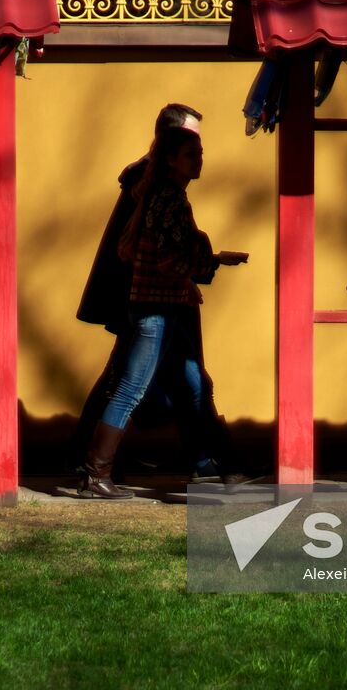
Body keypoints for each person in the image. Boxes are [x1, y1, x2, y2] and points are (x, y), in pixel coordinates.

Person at [72, 104, 240, 481]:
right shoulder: (157, 190)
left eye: (200, 149)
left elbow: (151, 248)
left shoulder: (158, 187)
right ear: (168, 149)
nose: (200, 155)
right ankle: (94, 472)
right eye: (191, 146)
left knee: (191, 382)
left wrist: (199, 264)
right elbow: (164, 255)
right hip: (153, 304)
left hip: (163, 301)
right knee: (129, 386)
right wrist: (205, 262)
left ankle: (212, 465)